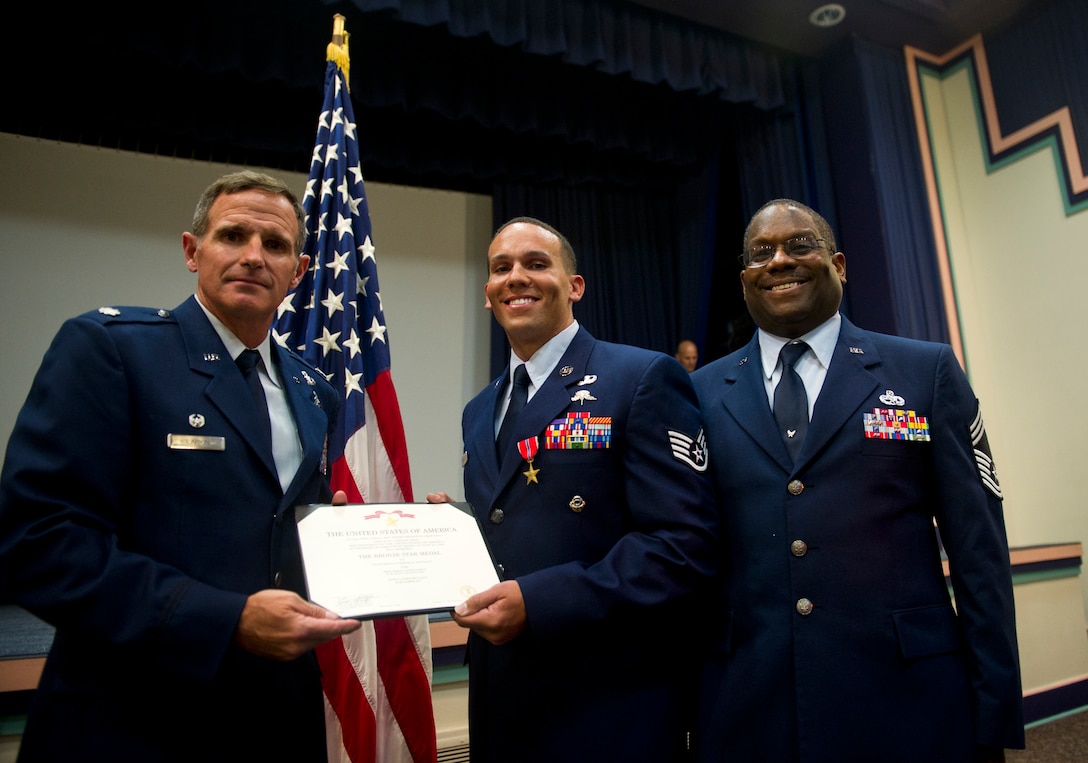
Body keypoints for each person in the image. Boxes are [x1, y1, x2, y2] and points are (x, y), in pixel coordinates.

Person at [0, 170, 362, 762]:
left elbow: (266, 526)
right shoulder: (113, 350)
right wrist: (227, 619)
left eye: (274, 246)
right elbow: (38, 546)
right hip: (136, 718)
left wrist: (337, 535)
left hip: (273, 718)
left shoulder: (313, 389)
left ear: (297, 274)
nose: (252, 257)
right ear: (193, 251)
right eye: (232, 236)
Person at [690, 198, 1024, 762]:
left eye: (800, 245)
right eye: (760, 253)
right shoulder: (697, 394)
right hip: (749, 705)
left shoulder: (925, 371)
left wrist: (995, 712)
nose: (778, 261)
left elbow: (979, 552)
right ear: (744, 278)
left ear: (839, 265)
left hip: (906, 699)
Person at [426, 216, 718, 762]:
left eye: (536, 264)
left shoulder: (641, 378)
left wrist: (537, 602)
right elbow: (519, 521)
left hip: (607, 699)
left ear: (574, 286)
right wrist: (452, 531)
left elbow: (685, 546)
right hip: (502, 695)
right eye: (501, 268)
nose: (517, 277)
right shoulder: (478, 410)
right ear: (488, 295)